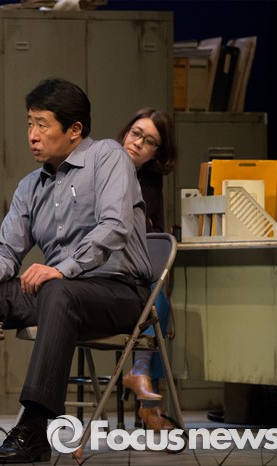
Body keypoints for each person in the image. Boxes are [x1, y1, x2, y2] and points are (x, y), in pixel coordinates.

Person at [0, 77, 153, 463]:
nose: (32, 135)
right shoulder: (30, 186)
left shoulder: (107, 157)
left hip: (120, 292)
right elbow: (8, 250)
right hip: (61, 296)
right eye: (29, 123)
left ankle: (35, 427)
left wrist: (64, 269)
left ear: (74, 130)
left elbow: (115, 226)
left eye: (42, 124)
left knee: (58, 290)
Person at [117, 108, 177, 431]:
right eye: (136, 133)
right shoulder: (105, 167)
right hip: (104, 270)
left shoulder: (151, 183)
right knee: (157, 300)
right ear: (127, 131)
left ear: (157, 152)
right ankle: (148, 400)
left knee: (159, 297)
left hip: (136, 276)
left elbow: (152, 237)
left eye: (150, 141)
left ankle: (142, 379)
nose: (138, 143)